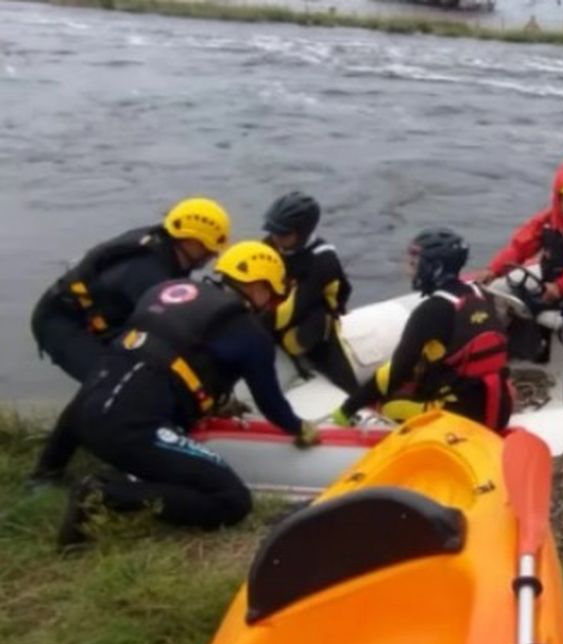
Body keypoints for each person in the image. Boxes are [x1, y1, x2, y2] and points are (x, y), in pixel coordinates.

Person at [30, 241, 321, 549]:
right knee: (232, 501)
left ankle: (46, 473)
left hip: (85, 412)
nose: (270, 304)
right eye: (272, 296)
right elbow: (271, 403)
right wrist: (299, 427)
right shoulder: (251, 336)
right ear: (259, 286)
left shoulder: (167, 290)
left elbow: (169, 357)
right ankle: (105, 494)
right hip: (131, 430)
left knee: (122, 376)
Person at [30, 197, 231, 383]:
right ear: (189, 240)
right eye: (208, 247)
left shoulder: (166, 250)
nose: (212, 254)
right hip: (62, 322)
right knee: (111, 381)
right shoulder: (146, 270)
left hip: (103, 319)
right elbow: (166, 326)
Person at [332, 228, 512, 432]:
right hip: (500, 405)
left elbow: (395, 373)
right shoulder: (480, 294)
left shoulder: (430, 311)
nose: (410, 270)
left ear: (434, 268)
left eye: (415, 264)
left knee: (390, 406)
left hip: (461, 417)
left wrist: (348, 408)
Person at [477, 159, 563, 334]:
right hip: (551, 281)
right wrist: (493, 269)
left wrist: (560, 286)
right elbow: (519, 247)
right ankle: (497, 344)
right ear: (558, 198)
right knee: (496, 291)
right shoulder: (549, 219)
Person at [262, 191, 357, 392]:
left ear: (302, 232)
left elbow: (292, 310)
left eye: (283, 233)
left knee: (344, 382)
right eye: (273, 231)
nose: (276, 237)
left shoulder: (322, 260)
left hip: (314, 319)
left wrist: (249, 325)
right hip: (278, 308)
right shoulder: (270, 245)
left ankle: (352, 399)